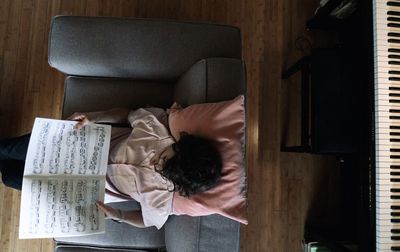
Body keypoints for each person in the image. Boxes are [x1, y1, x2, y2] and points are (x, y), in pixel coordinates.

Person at [0, 107, 222, 229]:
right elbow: (128, 114)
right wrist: (93, 118)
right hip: (74, 146)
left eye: (163, 170)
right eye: (163, 156)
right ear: (179, 145)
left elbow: (146, 221)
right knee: (8, 149)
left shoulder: (161, 199)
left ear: (177, 182)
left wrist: (118, 215)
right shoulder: (155, 129)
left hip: (79, 188)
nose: (155, 164)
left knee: (9, 177)